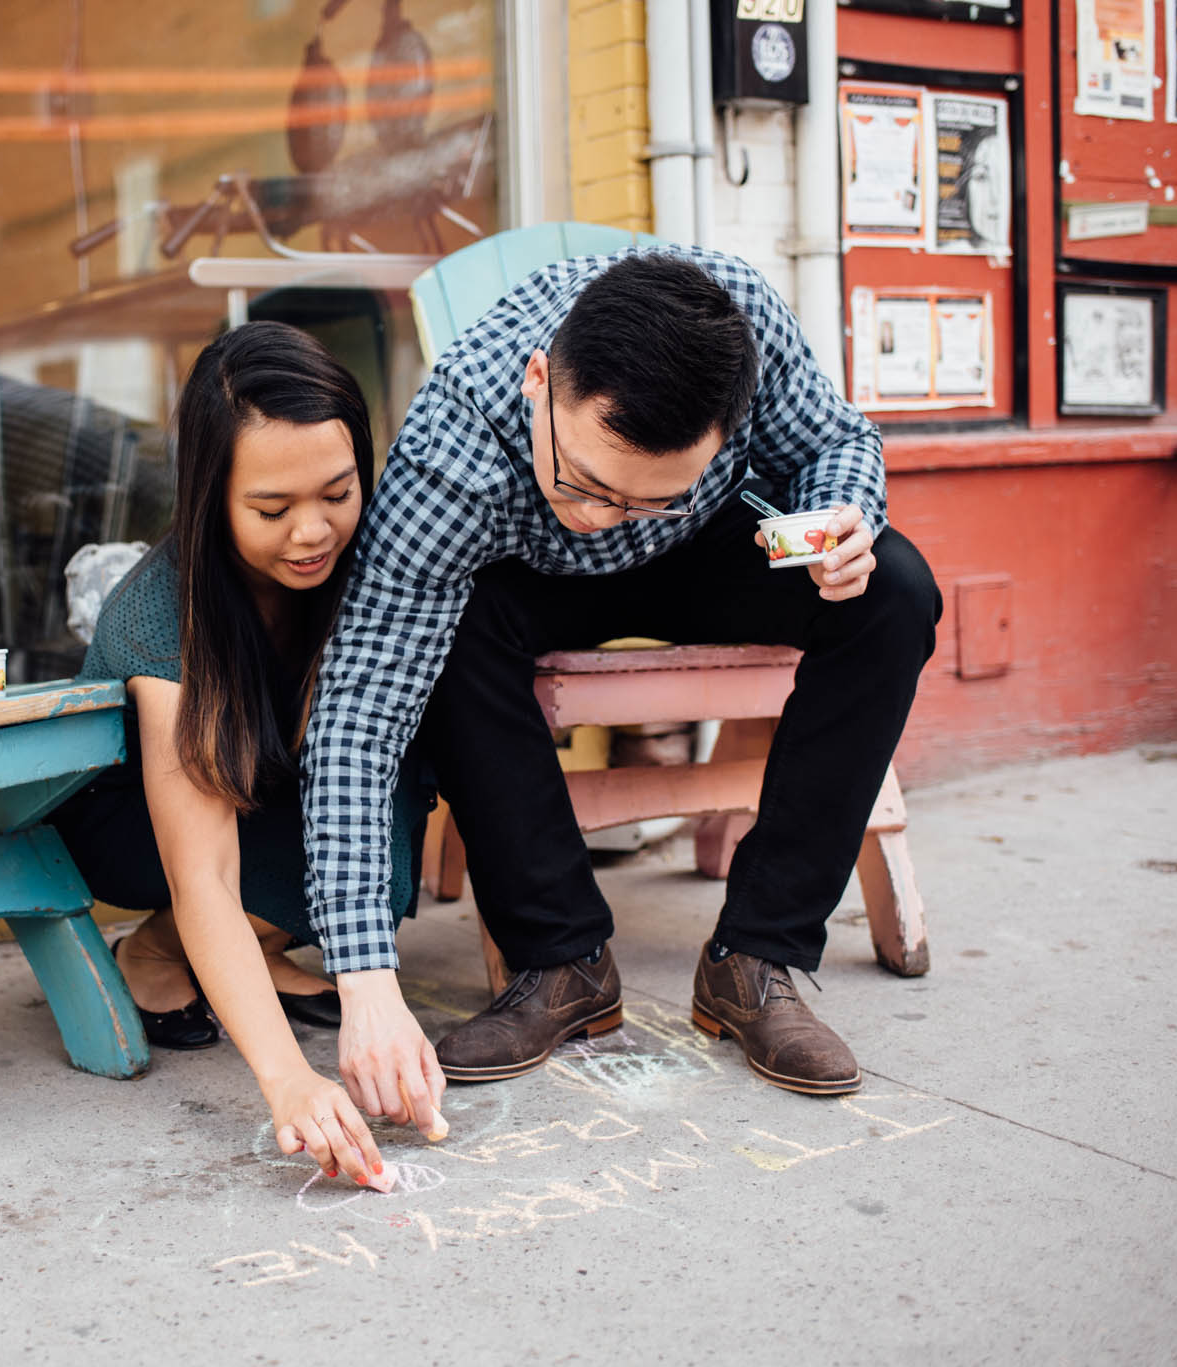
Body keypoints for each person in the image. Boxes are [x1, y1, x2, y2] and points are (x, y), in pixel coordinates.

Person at [299, 247, 941, 1108]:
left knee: (895, 590)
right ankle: (559, 959)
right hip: (531, 577)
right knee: (451, 630)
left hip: (707, 545)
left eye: (648, 492)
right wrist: (364, 977)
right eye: (587, 482)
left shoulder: (743, 322)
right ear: (537, 380)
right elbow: (360, 714)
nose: (605, 520)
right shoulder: (450, 451)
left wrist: (840, 518)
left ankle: (758, 956)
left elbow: (833, 440)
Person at [50, 321, 433, 1187]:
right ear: (209, 495)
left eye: (337, 493)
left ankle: (244, 951)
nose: (311, 532)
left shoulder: (361, 567)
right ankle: (154, 949)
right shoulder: (162, 612)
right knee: (231, 884)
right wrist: (289, 1081)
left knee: (398, 795)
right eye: (271, 509)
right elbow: (205, 877)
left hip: (264, 791)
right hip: (137, 829)